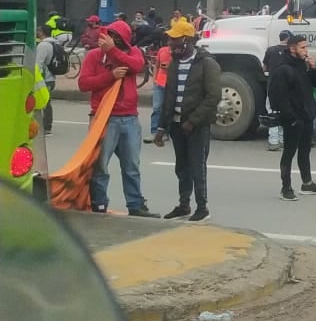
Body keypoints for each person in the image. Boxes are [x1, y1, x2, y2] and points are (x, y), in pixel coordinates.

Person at [78, 20, 158, 217]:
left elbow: (136, 65)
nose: (112, 40)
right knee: (101, 166)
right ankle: (99, 204)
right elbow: (83, 84)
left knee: (131, 166)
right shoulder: (94, 56)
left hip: (130, 118)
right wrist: (110, 76)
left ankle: (135, 205)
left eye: (117, 37)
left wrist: (113, 52)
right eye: (109, 35)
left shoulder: (132, 53)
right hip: (104, 118)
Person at [152, 21, 221, 222]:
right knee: (182, 166)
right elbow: (169, 97)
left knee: (197, 166)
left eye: (174, 39)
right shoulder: (174, 64)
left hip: (196, 126)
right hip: (176, 125)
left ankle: (202, 207)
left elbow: (213, 96)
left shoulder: (207, 64)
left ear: (188, 40)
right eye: (170, 39)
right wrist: (162, 127)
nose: (170, 43)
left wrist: (193, 121)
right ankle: (184, 205)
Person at [266, 34, 316, 201]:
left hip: (307, 114)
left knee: (305, 150)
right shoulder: (283, 68)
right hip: (293, 118)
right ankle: (285, 187)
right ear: (292, 48)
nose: (306, 50)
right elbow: (278, 96)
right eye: (302, 47)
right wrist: (290, 116)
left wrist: (314, 68)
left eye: (306, 47)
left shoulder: (304, 65)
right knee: (289, 152)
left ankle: (307, 183)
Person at [262, 30, 292, 152]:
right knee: (285, 112)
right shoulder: (291, 51)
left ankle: (273, 142)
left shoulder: (270, 50)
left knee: (273, 112)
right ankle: (283, 140)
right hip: (288, 87)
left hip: (273, 86)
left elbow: (264, 67)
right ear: (288, 39)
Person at [146, 41, 172, 143]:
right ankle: (154, 132)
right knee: (157, 107)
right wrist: (155, 80)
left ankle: (166, 133)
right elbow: (156, 66)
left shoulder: (178, 54)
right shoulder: (162, 50)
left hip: (171, 84)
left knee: (168, 109)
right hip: (159, 83)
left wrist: (170, 67)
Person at [33, 24, 56, 135]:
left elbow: (38, 64)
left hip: (44, 78)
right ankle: (46, 126)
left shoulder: (43, 46)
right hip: (51, 78)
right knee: (47, 101)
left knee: (43, 102)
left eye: (38, 29)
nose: (37, 31)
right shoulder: (53, 43)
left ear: (42, 32)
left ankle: (46, 127)